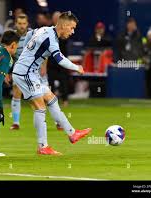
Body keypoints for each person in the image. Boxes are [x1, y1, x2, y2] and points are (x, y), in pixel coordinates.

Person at [12, 12, 92, 155]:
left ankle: (72, 133)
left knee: (51, 99)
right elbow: (60, 60)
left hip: (29, 73)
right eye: (72, 28)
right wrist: (77, 67)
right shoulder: (51, 39)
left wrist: (26, 53)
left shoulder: (44, 29)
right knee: (40, 107)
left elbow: (29, 35)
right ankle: (43, 146)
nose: (72, 32)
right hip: (25, 74)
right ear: (64, 25)